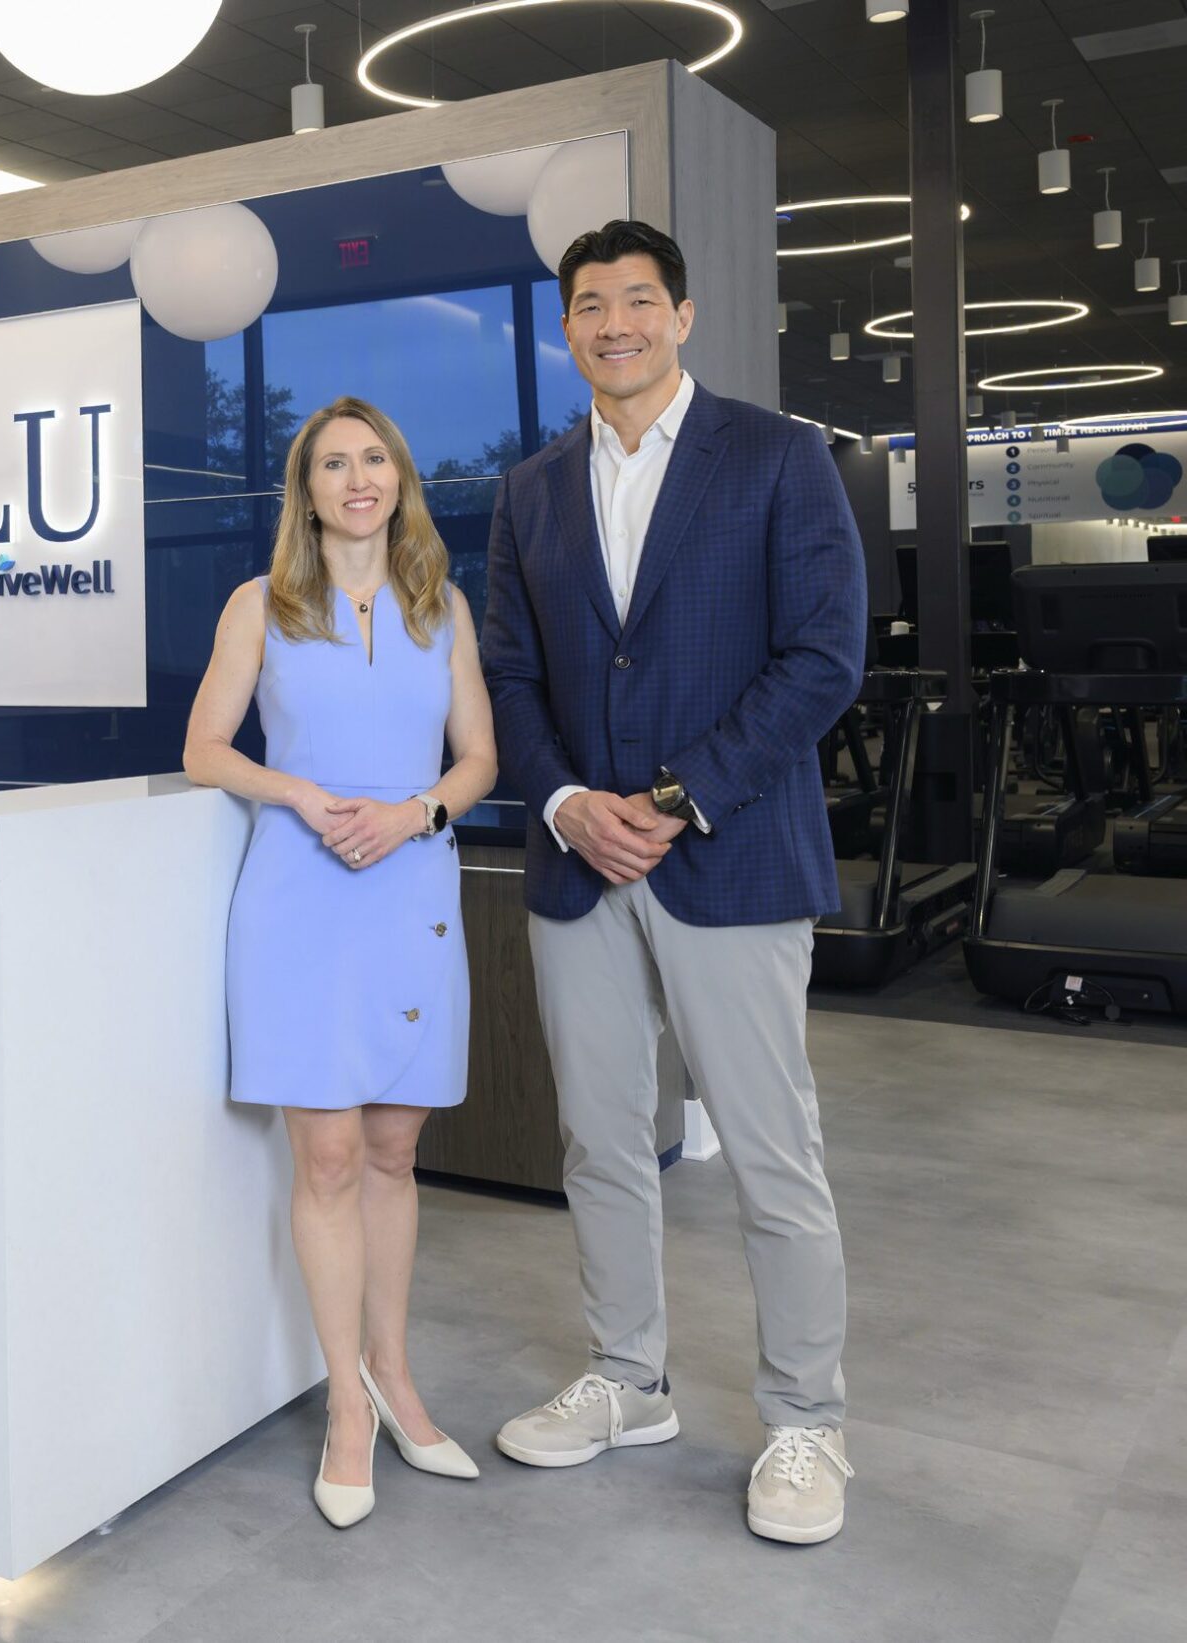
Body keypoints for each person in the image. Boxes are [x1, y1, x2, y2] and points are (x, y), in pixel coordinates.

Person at [478, 220, 866, 1545]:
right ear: (568, 329)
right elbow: (509, 675)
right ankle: (629, 1377)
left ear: (683, 316)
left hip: (733, 853)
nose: (615, 322)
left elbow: (822, 657)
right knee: (600, 1136)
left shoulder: (776, 455)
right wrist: (575, 801)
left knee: (772, 1152)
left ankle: (806, 1418)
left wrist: (677, 794)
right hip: (579, 861)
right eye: (590, 305)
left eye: (638, 300)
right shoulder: (529, 489)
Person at [185, 397, 500, 1530]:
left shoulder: (441, 607)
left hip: (408, 883)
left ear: (399, 478)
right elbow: (203, 745)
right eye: (332, 463)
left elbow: (477, 759)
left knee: (392, 1147)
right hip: (301, 894)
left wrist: (415, 812)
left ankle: (396, 1374)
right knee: (322, 1157)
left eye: (374, 459)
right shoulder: (258, 606)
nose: (356, 478)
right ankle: (348, 1409)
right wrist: (301, 794)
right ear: (305, 489)